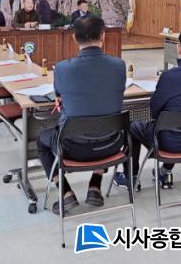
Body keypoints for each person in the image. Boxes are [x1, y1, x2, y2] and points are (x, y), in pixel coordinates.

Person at [37, 15, 126, 215]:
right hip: (112, 145)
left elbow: (59, 94)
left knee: (42, 141)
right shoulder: (119, 65)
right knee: (101, 121)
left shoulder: (62, 68)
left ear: (74, 38)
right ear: (103, 36)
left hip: (72, 148)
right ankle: (95, 185)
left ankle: (66, 192)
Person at [113, 29, 181, 190]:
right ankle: (165, 171)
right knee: (178, 123)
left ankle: (131, 177)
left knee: (133, 126)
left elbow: (154, 110)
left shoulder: (170, 76)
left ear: (178, 48)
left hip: (167, 142)